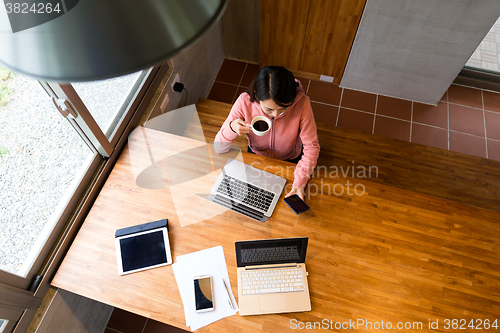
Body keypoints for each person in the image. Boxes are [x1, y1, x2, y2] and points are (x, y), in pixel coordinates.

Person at [214, 66, 320, 201]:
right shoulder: (244, 102)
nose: (276, 114)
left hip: (290, 159)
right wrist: (232, 128)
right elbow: (219, 148)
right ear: (256, 95)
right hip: (257, 155)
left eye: (283, 108)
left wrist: (299, 184)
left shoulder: (303, 103)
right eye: (269, 109)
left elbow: (312, 146)